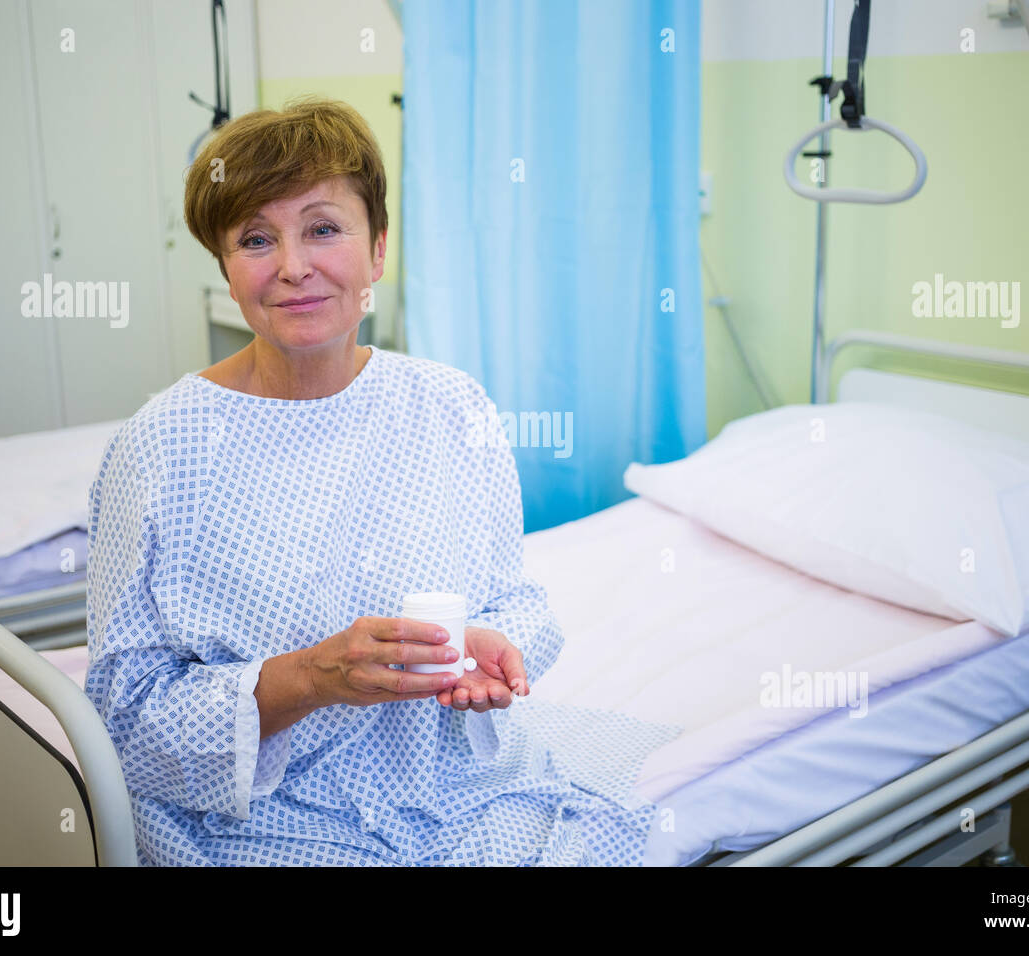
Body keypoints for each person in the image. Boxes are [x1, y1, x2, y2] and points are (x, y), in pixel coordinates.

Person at [85, 96, 674, 865]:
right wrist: (310, 678)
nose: (293, 265)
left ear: (379, 250)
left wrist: (488, 653)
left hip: (457, 791)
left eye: (323, 228)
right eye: (256, 238)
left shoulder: (451, 404)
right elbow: (123, 718)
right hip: (256, 819)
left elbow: (513, 598)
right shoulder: (161, 445)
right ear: (227, 270)